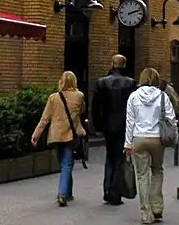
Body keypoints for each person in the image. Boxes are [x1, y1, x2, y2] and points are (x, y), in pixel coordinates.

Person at [124, 67, 176, 225]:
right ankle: (157, 207)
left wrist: (127, 144)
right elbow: (171, 118)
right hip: (157, 139)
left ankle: (146, 213)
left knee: (142, 176)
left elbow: (130, 122)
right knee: (157, 171)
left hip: (138, 138)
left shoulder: (133, 96)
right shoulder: (163, 96)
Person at [31, 71, 86, 207]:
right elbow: (81, 112)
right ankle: (63, 194)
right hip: (70, 134)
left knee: (65, 163)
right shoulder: (79, 96)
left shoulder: (53, 98)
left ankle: (67, 193)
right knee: (67, 164)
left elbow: (45, 118)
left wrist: (36, 135)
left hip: (55, 136)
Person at [92, 54, 136, 205]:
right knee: (119, 158)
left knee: (109, 157)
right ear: (124, 65)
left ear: (112, 64)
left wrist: (98, 126)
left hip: (108, 126)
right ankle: (115, 192)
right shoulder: (131, 83)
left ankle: (107, 189)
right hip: (124, 125)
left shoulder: (101, 83)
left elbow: (96, 107)